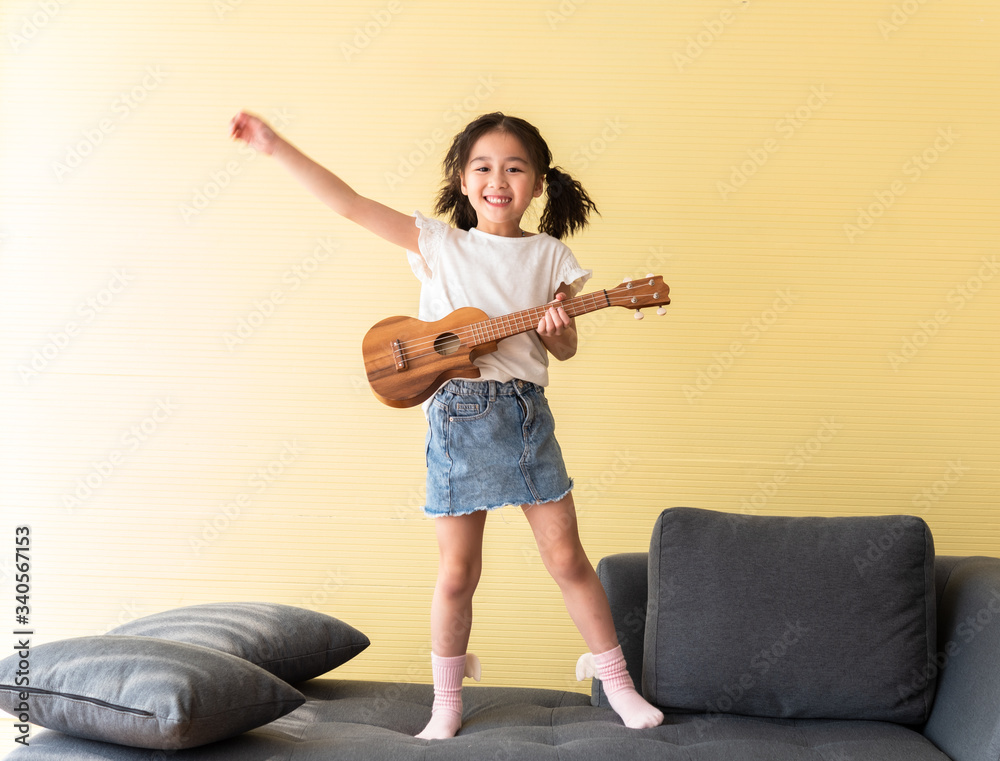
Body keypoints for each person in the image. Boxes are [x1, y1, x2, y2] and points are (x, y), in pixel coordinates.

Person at [229, 110, 664, 738]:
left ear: (538, 183)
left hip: (523, 415)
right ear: (463, 182)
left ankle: (619, 687)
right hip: (457, 419)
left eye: (515, 168)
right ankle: (447, 702)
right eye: (482, 167)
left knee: (567, 558)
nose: (498, 179)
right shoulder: (440, 245)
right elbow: (349, 204)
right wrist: (274, 146)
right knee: (458, 572)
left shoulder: (550, 256)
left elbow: (560, 352)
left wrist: (561, 332)